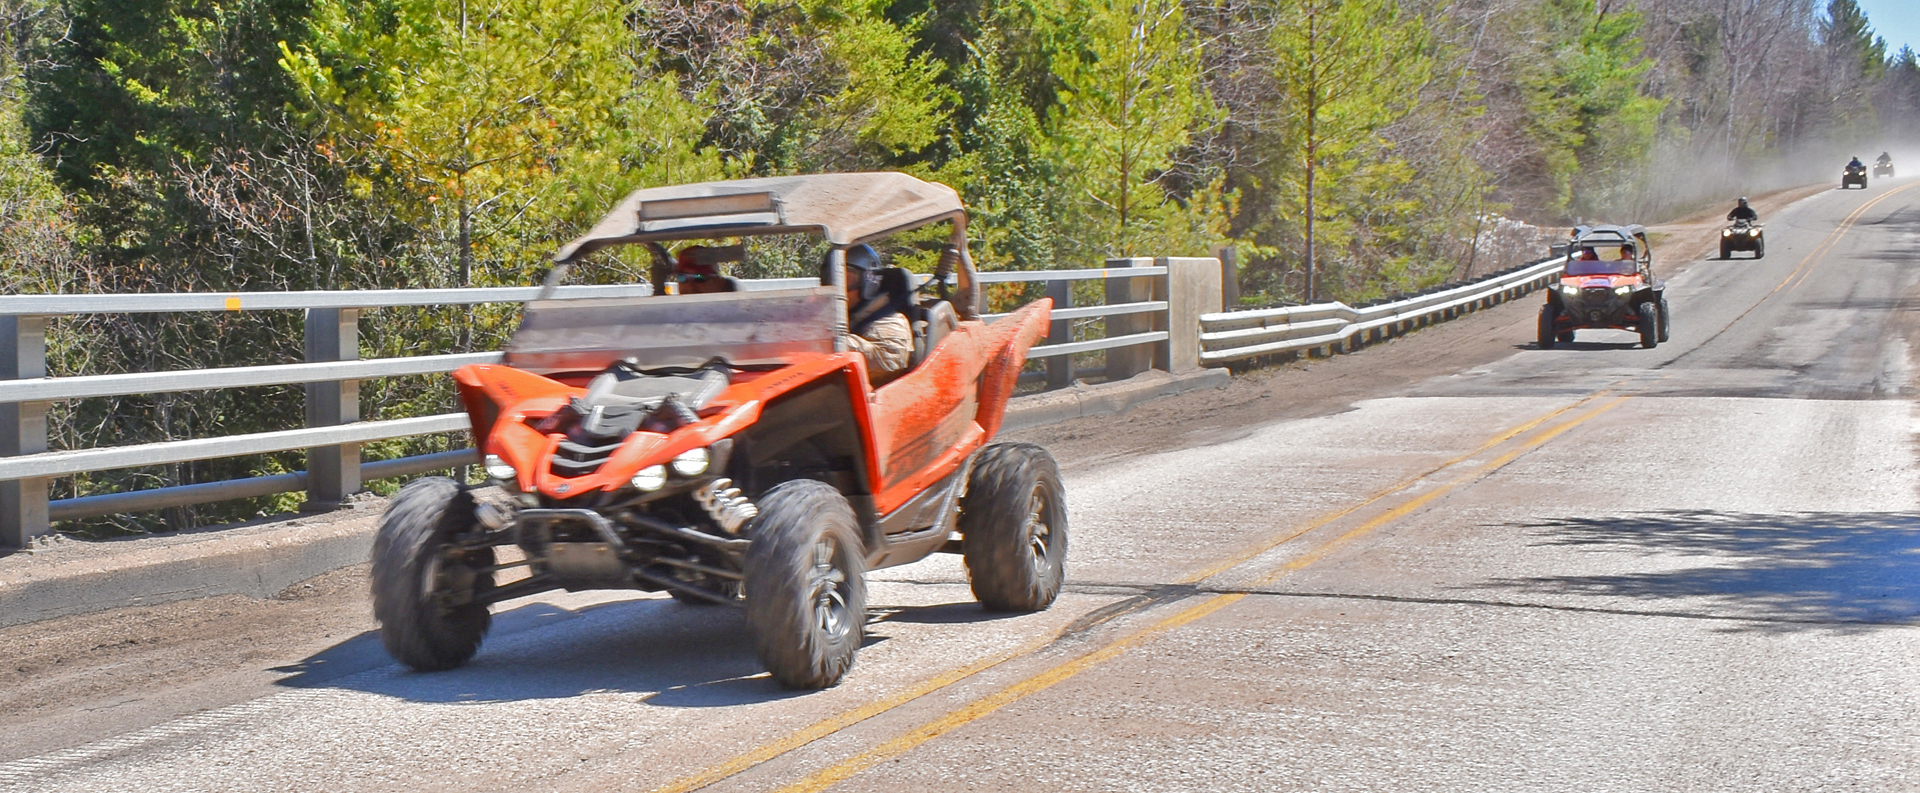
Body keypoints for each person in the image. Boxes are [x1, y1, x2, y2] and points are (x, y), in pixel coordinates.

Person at [835, 244, 912, 386]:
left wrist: (830, 342)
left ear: (869, 282)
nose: (838, 289)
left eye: (847, 280)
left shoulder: (891, 321)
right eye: (831, 280)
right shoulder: (835, 315)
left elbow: (889, 361)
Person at [671, 246, 735, 294]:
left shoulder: (737, 310)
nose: (690, 286)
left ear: (718, 283)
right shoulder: (669, 311)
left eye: (699, 277)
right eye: (682, 277)